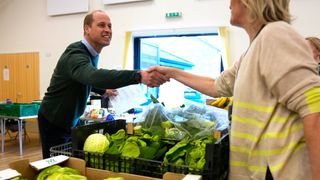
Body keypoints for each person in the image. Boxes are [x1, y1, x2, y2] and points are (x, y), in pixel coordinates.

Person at [151, 0, 320, 179]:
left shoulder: (276, 34)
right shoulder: (254, 47)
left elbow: (314, 108)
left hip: (276, 172)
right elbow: (217, 86)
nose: (229, 4)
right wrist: (171, 72)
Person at [38, 10, 168, 159]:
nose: (108, 30)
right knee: (54, 164)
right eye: (101, 25)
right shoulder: (75, 53)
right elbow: (91, 75)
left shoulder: (91, 54)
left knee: (68, 160)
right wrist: (138, 76)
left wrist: (103, 90)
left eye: (110, 26)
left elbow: (82, 78)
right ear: (87, 28)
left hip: (69, 120)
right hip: (54, 119)